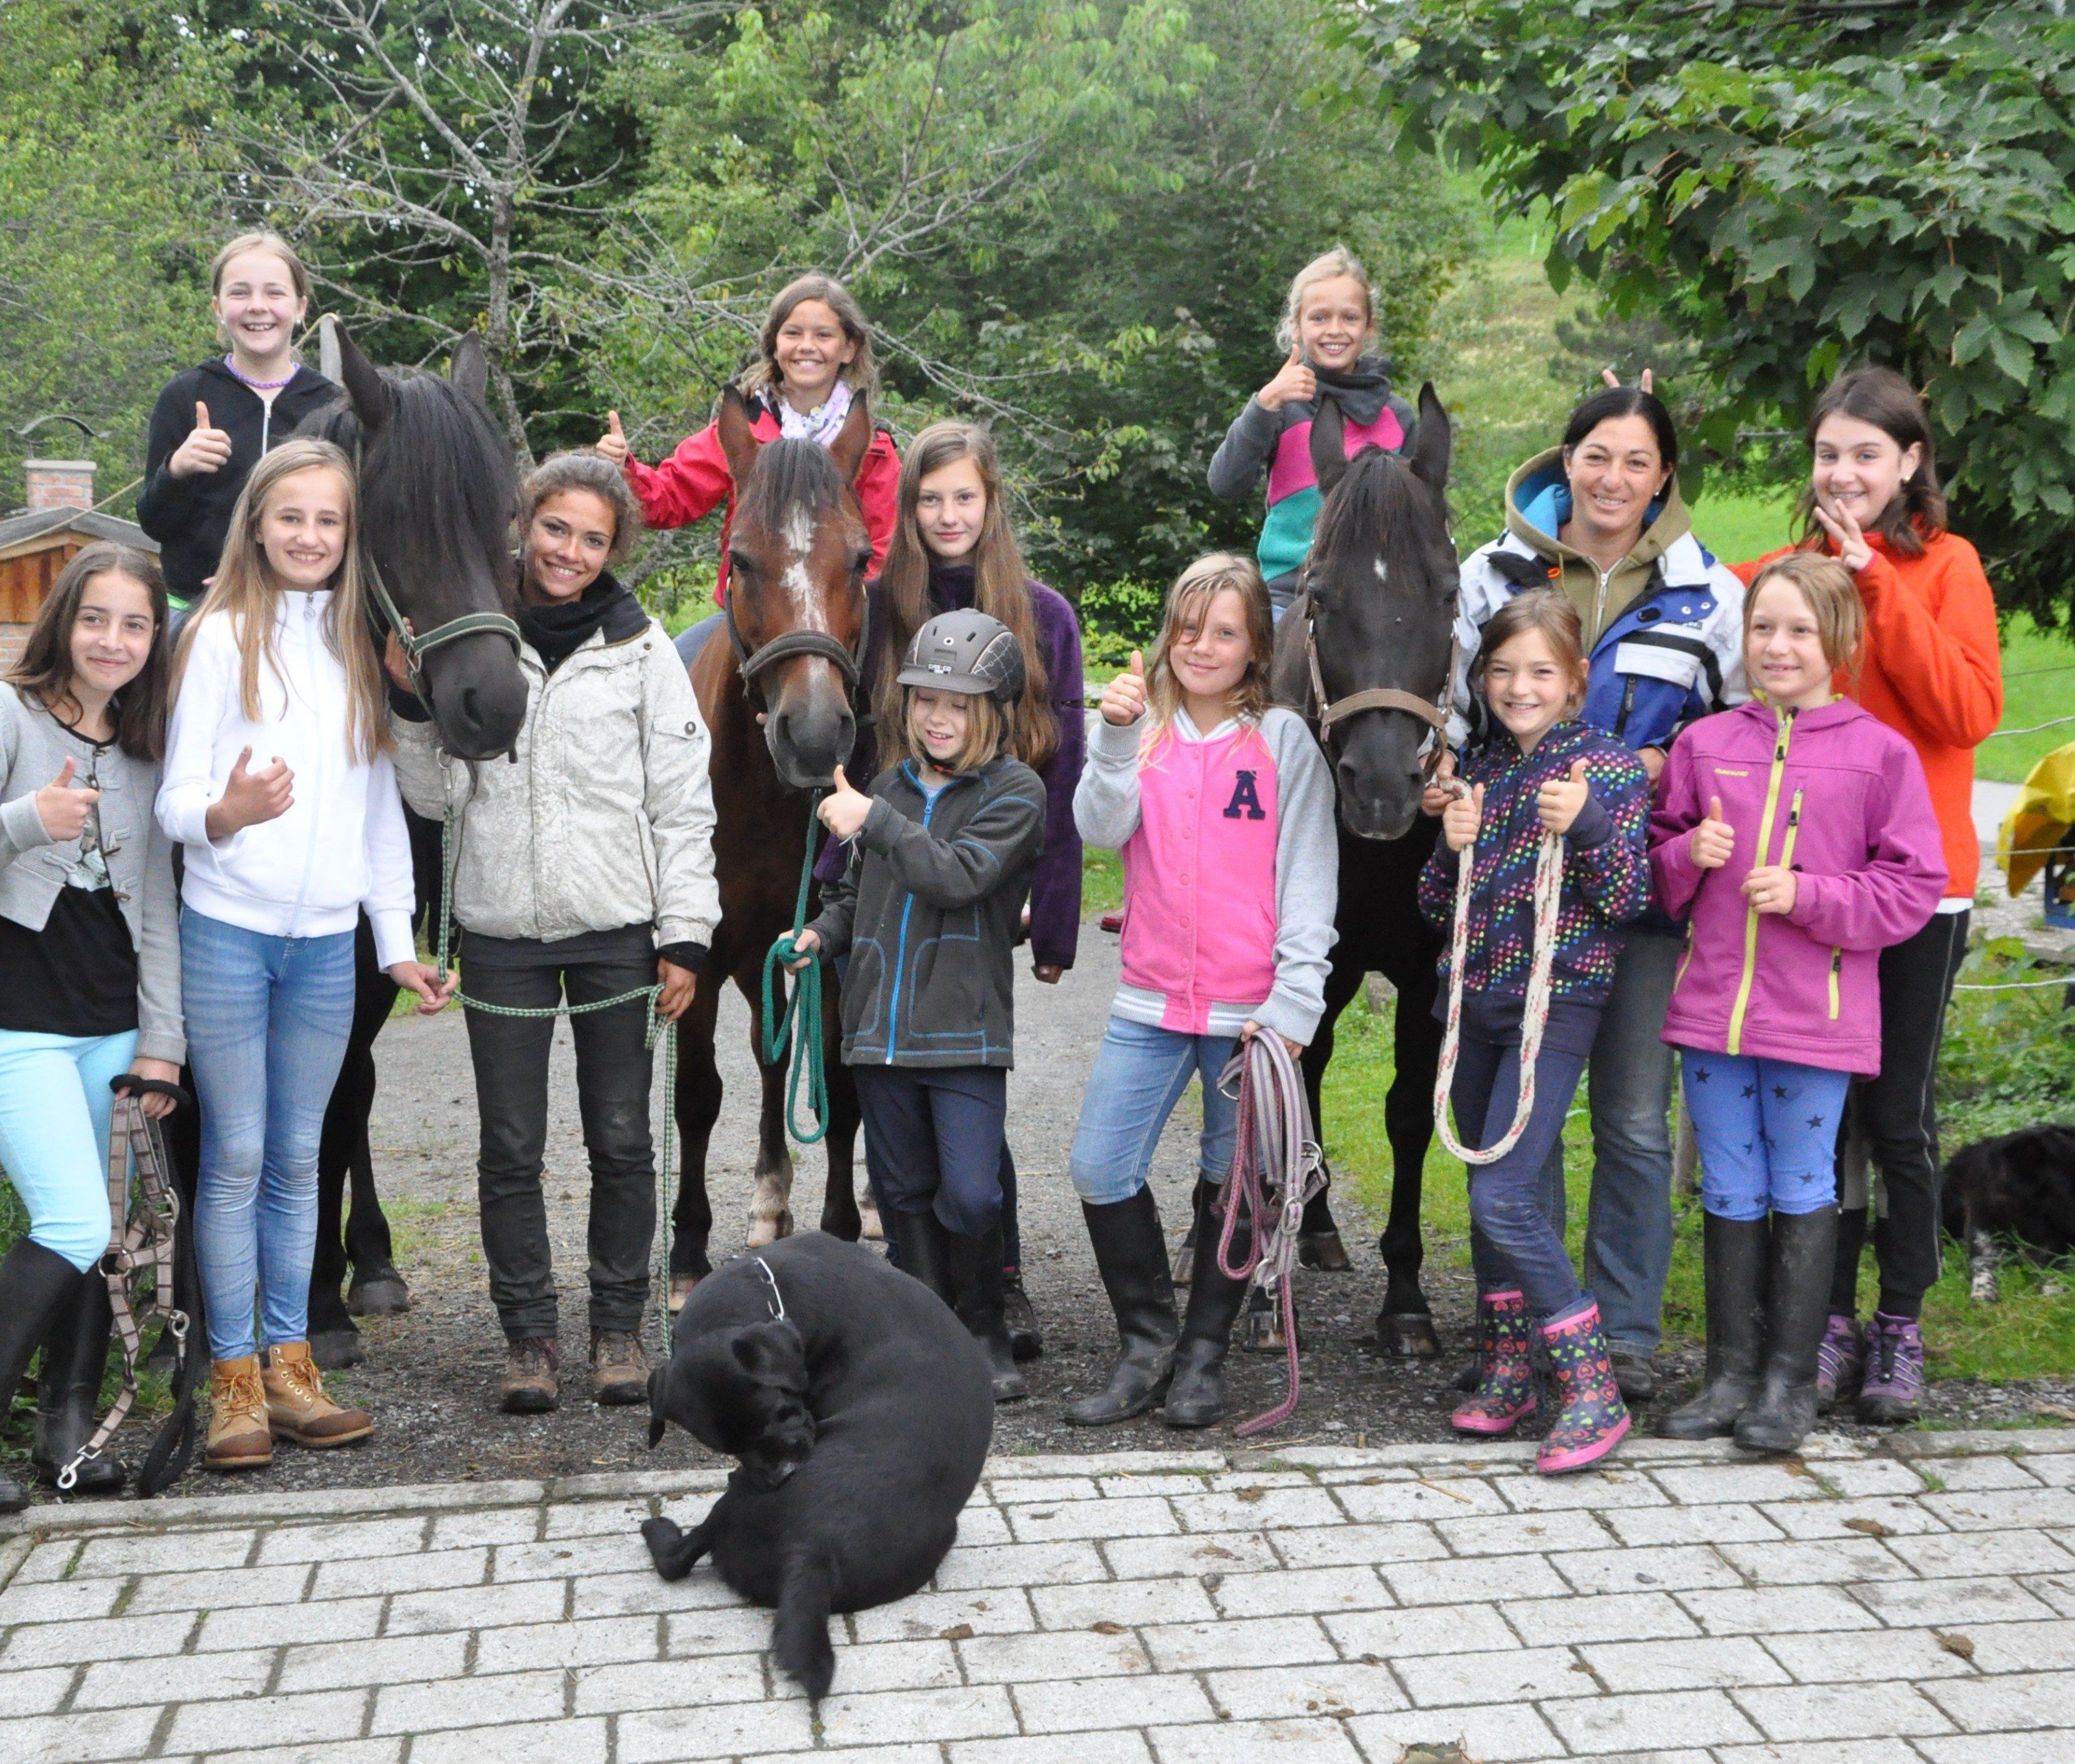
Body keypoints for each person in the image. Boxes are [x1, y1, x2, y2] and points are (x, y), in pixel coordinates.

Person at [387, 451, 720, 1414]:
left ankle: (617, 1329)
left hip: (617, 926)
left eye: (592, 537)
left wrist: (686, 931)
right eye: (554, 529)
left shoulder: (645, 650)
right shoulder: (476, 636)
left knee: (621, 1137)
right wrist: (413, 710)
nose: (568, 551)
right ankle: (528, 1339)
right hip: (501, 931)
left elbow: (681, 801)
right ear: (524, 528)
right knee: (511, 1144)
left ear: (616, 549)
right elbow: (429, 797)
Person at [1441, 383, 1748, 1401]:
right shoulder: (1495, 570)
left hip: (1642, 885)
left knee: (1630, 1119)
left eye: (1637, 462)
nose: (1613, 479)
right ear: (1565, 459)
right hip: (1518, 896)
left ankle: (1619, 1337)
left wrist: (1668, 770)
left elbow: (1738, 731)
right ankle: (1527, 1329)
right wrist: (1452, 799)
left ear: (1665, 477)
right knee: (1527, 1123)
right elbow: (1462, 708)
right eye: (1596, 456)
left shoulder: (1710, 590)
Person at [157, 439, 452, 1473]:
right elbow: (174, 802)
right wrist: (227, 814)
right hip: (230, 932)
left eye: (329, 522)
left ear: (348, 535)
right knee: (234, 1158)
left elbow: (380, 819)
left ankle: (292, 1368)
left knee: (298, 1158)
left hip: (329, 947)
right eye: (292, 518)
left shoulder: (356, 649)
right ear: (257, 523)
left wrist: (398, 947)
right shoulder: (216, 636)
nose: (311, 537)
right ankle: (230, 1378)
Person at [1733, 366, 2002, 1423]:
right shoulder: (1788, 573)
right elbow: (1717, 611)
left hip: (1919, 896)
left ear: (1910, 464)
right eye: (1829, 454)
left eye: (1867, 456)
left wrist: (1877, 584)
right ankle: (1828, 1317)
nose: (1844, 474)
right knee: (1821, 1113)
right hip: (1811, 893)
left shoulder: (1947, 567)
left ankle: (1900, 1323)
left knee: (1897, 1117)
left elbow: (1967, 710)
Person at [1651, 554, 1944, 1453]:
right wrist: (1685, 855)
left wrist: (1814, 897)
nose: (1778, 647)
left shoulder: (1879, 755)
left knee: (1803, 1184)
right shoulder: (1707, 744)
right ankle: (1728, 1375)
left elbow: (1914, 887)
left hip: (1815, 1021)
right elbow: (1654, 873)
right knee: (1731, 1188)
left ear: (1839, 642)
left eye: (1799, 631)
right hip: (1710, 1014)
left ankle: (1788, 1384)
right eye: (1763, 629)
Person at [819, 419, 1086, 1351]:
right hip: (893, 852)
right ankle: (942, 1311)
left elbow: (1067, 765)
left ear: (991, 503)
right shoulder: (881, 604)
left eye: (963, 496)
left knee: (967, 1089)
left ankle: (994, 1281)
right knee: (914, 1112)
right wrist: (830, 903)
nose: (946, 515)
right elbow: (858, 753)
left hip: (992, 856)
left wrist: (1053, 920)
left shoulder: (1043, 611)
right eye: (929, 498)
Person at [1065, 553, 1337, 1429]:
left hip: (1249, 1018)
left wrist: (1296, 1003)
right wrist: (1109, 741)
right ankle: (1145, 1345)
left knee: (1238, 1182)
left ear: (1258, 644)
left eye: (1225, 631)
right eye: (1189, 628)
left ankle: (1204, 1358)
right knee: (1100, 1167)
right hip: (1148, 1003)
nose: (1203, 645)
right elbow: (1100, 829)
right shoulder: (1142, 732)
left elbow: (1307, 879)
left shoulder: (1284, 742)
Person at [1420, 591, 1651, 1474]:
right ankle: (1510, 1368)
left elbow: (1629, 897)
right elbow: (1435, 907)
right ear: (1485, 678)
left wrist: (1585, 824)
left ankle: (1590, 1384)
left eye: (1541, 672)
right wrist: (1447, 844)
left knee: (1505, 1197)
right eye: (1505, 671)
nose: (1521, 687)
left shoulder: (1608, 772)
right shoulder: (1477, 772)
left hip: (1553, 1010)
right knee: (1484, 1189)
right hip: (1473, 1007)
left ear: (1576, 682)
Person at [789, 610, 1046, 1402]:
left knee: (969, 1189)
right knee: (899, 1193)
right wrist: (820, 935)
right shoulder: (889, 787)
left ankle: (983, 1325)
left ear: (994, 710)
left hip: (962, 1034)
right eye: (925, 699)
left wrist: (876, 820)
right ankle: (932, 1331)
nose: (938, 717)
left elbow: (956, 875)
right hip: (877, 1034)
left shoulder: (1014, 794)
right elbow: (851, 891)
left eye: (959, 703)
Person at [0, 545, 183, 1508]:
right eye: (95, 619)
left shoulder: (150, 753)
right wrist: (30, 818)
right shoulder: (9, 715)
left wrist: (163, 1042)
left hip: (112, 1025)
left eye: (135, 623)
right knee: (70, 1220)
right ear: (62, 623)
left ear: (157, 638)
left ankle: (66, 1429)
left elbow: (157, 909)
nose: (113, 640)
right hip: (16, 1023)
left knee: (107, 1230)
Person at [595, 272, 901, 665]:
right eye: (793, 333)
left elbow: (883, 551)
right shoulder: (746, 428)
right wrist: (624, 470)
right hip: (753, 618)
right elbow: (670, 498)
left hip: (839, 623)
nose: (807, 346)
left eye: (823, 335)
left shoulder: (874, 451)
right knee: (667, 676)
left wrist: (834, 602)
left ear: (849, 348)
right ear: (775, 344)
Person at [136, 232, 340, 616]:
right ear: (218, 306)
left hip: (303, 607)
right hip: (197, 608)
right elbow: (154, 523)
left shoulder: (332, 404)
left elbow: (347, 523)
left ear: (300, 307)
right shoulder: (184, 395)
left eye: (275, 293)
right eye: (240, 293)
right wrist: (176, 470)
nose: (257, 307)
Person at [1207, 245, 1417, 611]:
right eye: (1319, 318)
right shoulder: (1282, 405)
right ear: (1296, 327)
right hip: (1288, 596)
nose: (1334, 330)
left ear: (1369, 328)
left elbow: (1416, 522)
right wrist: (1265, 404)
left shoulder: (1398, 418)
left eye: (1349, 318)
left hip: (1375, 602)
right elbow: (1225, 483)